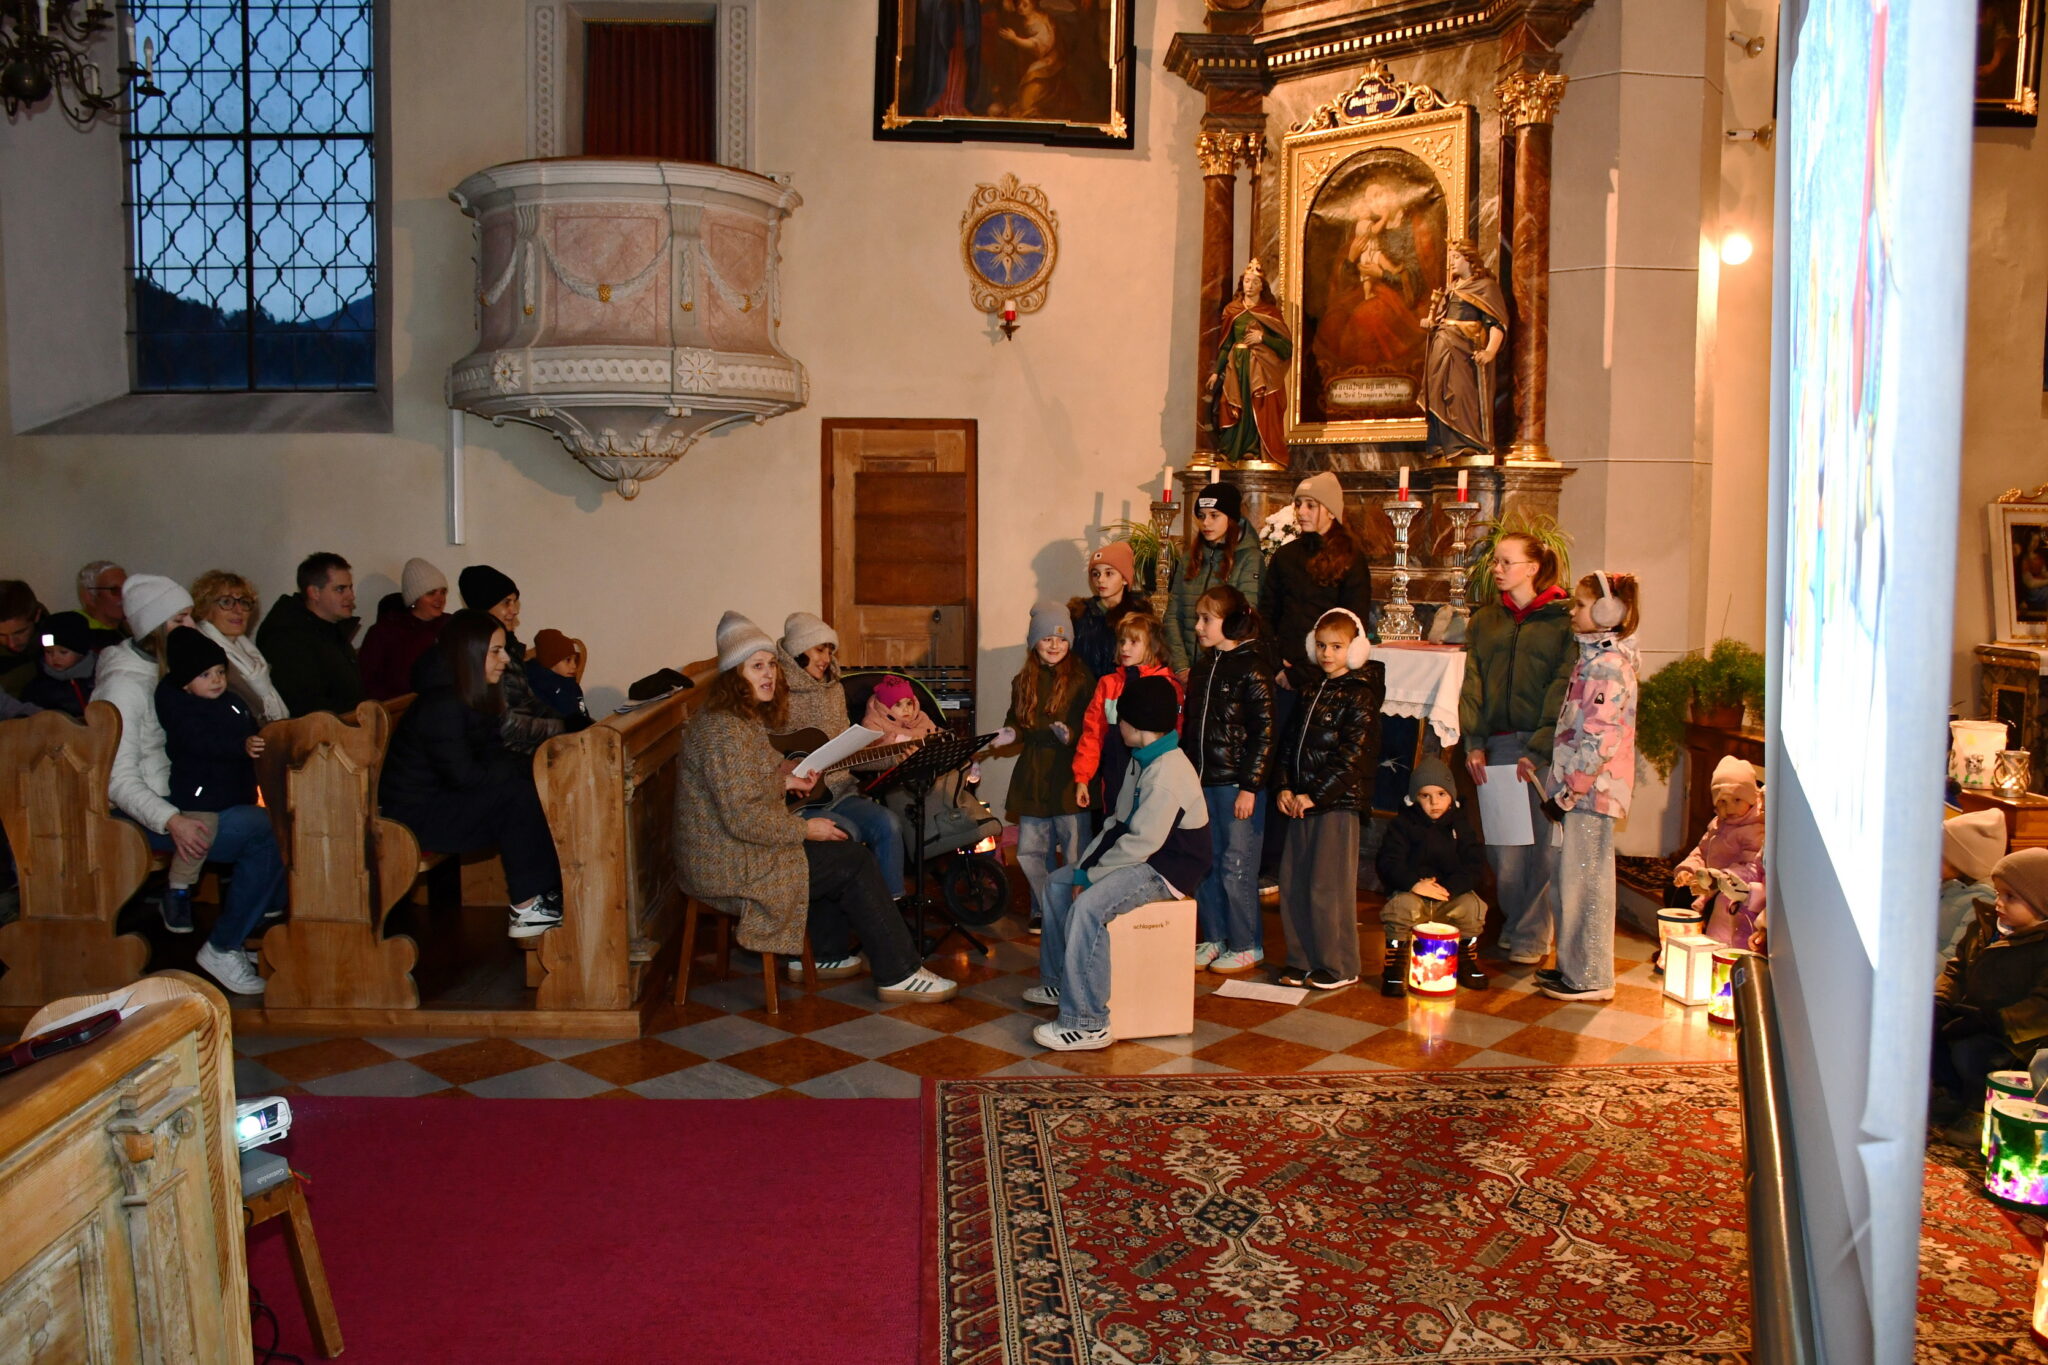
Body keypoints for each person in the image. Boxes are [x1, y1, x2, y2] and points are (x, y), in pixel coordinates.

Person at [674, 611, 957, 1002]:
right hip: (727, 861)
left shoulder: (736, 718)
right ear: (733, 674)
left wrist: (786, 780)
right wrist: (806, 828)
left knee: (839, 852)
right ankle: (900, 973)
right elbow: (742, 818)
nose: (769, 674)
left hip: (736, 847)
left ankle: (826, 953)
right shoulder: (724, 731)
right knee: (850, 859)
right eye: (756, 667)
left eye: (771, 664)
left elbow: (746, 783)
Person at [93, 574, 283, 996]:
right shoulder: (124, 685)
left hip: (181, 797)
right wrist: (171, 820)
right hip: (141, 815)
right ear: (152, 629)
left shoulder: (173, 669)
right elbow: (114, 778)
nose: (193, 627)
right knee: (265, 832)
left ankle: (240, 933)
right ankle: (223, 946)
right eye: (181, 619)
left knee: (275, 821)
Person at [1024, 674, 1211, 1051]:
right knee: (1058, 883)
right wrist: (1083, 870)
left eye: (1119, 718)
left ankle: (1088, 1023)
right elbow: (1117, 824)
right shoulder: (1142, 759)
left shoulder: (1168, 773)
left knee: (1088, 908)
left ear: (1136, 725)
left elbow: (1141, 844)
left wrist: (1092, 880)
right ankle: (1060, 981)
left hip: (1168, 869)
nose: (1116, 724)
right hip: (1144, 853)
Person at [379, 609, 566, 941]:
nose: (505, 659)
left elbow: (491, 755)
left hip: (440, 800)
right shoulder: (442, 703)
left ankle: (546, 892)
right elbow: (463, 776)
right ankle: (526, 907)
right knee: (516, 797)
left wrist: (530, 769)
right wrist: (518, 773)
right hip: (412, 818)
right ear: (470, 653)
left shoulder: (468, 691)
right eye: (496, 651)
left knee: (529, 786)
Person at [1457, 530, 1576, 964]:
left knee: (1543, 848)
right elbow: (1472, 683)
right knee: (1505, 851)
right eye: (1496, 562)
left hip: (1546, 747)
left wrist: (1541, 747)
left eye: (1506, 562)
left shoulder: (1563, 620)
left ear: (1533, 568)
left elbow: (1562, 687)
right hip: (1500, 744)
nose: (1497, 569)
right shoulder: (1486, 621)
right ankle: (1515, 921)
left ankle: (1531, 933)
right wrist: (1474, 741)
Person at [1535, 571, 1642, 1003]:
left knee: (1587, 884)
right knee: (1571, 882)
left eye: (1580, 605)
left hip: (1591, 794)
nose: (1573, 612)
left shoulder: (1608, 667)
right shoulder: (1593, 660)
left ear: (1607, 610)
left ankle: (1591, 976)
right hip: (1578, 791)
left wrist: (1569, 793)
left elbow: (1600, 739)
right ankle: (1573, 967)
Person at [1271, 608, 1384, 990]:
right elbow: (1289, 745)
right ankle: (1302, 959)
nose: (1327, 653)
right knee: (1294, 883)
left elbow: (1352, 757)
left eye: (1337, 646)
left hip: (1335, 805)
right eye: (1320, 645)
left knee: (1327, 887)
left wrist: (1315, 796)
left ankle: (1339, 965)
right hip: (1302, 802)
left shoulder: (1361, 695)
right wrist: (1285, 787)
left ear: (1356, 649)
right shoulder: (1311, 689)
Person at [775, 611, 913, 910]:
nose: (826, 658)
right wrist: (784, 770)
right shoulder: (775, 691)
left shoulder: (834, 690)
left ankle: (889, 911)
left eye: (829, 651)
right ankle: (850, 915)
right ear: (798, 650)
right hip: (798, 804)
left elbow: (847, 757)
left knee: (889, 824)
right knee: (847, 833)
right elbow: (759, 752)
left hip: (840, 793)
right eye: (819, 650)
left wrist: (894, 756)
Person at [1180, 585, 1275, 973]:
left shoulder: (1253, 668)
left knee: (1237, 867)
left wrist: (1250, 786)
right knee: (1207, 863)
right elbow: (1191, 728)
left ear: (1232, 623)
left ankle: (1247, 943)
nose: (1198, 626)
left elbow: (1265, 734)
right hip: (1203, 783)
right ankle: (1216, 937)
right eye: (1198, 618)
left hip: (1237, 786)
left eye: (1207, 619)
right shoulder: (1204, 668)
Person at [154, 628, 265, 935]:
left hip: (234, 786)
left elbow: (248, 725)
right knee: (199, 835)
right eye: (205, 675)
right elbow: (200, 742)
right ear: (186, 683)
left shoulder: (232, 702)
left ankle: (252, 898)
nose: (216, 680)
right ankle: (177, 890)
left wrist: (259, 738)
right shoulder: (183, 709)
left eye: (219, 672)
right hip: (199, 790)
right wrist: (240, 746)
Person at [994, 604, 1095, 934]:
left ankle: (1075, 909)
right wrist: (1010, 734)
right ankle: (1044, 907)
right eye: (1047, 638)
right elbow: (1016, 721)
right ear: (1034, 641)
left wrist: (1071, 734)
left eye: (1062, 639)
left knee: (1075, 850)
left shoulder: (1081, 679)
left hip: (1069, 775)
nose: (1055, 645)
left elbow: (1092, 727)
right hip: (1034, 773)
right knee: (1031, 851)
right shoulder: (1023, 680)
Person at [1933, 848, 2048, 1118]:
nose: (1998, 903)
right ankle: (1952, 1094)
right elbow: (1957, 969)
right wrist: (1941, 1001)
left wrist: (1995, 1021)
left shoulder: (2042, 945)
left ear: (2041, 901)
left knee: (1971, 1053)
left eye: (2010, 897)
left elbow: (2042, 1005)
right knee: (1929, 1033)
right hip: (1972, 1016)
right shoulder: (1985, 928)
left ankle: (1980, 1110)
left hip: (2017, 1038)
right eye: (1998, 893)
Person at [1376, 754, 1489, 995]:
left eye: (1441, 794)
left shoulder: (1461, 825)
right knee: (1401, 908)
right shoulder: (1402, 825)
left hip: (1448, 896)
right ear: (1414, 798)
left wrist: (1450, 889)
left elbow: (1474, 865)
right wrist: (1414, 884)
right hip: (1414, 895)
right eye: (1425, 796)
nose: (1434, 802)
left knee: (1473, 907)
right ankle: (1395, 965)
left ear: (1452, 796)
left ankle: (1465, 959)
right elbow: (1388, 862)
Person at [1259, 472, 1374, 689]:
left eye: (1311, 505)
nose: (1301, 511)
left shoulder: (1351, 558)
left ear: (1331, 511)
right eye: (1298, 504)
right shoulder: (1285, 555)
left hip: (1326, 674)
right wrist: (1275, 662)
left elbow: (1352, 624)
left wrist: (1305, 672)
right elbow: (1267, 614)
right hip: (1281, 670)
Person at [1073, 612, 1181, 820]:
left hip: (1154, 779)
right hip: (1115, 779)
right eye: (1122, 641)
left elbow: (1177, 733)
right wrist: (1082, 778)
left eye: (1133, 642)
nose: (1124, 648)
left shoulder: (1166, 685)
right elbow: (1092, 734)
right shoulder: (1108, 684)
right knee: (1115, 827)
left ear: (1152, 645)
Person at [457, 565, 564, 754]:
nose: (514, 610)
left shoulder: (510, 648)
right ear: (484, 607)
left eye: (515, 602)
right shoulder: (478, 659)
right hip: (505, 751)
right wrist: (562, 729)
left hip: (525, 744)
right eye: (506, 603)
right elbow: (506, 726)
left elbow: (529, 702)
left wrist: (567, 721)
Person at [1163, 480, 1265, 676]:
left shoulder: (1249, 558)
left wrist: (1211, 668)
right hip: (1186, 668)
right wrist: (1181, 667)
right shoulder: (1189, 558)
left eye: (1214, 515)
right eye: (1201, 516)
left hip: (1224, 669)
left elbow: (1244, 618)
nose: (1206, 523)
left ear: (1231, 518)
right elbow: (1173, 615)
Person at [1421, 238, 1509, 460]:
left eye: (1456, 257)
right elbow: (1440, 317)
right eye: (1450, 258)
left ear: (1469, 259)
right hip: (1442, 345)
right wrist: (1431, 324)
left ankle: (1465, 440)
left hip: (1464, 350)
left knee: (1460, 393)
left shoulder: (1485, 286)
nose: (1451, 262)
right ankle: (1442, 441)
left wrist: (1490, 351)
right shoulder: (1451, 288)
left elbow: (1495, 323)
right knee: (1438, 392)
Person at [1674, 756, 1767, 951]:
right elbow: (1701, 851)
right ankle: (1679, 947)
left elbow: (1750, 867)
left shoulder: (1755, 829)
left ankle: (1719, 950)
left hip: (1733, 889)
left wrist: (1720, 879)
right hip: (1709, 883)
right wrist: (1688, 870)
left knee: (1723, 908)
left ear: (1751, 799)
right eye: (1722, 802)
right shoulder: (1718, 824)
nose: (1729, 808)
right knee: (1679, 895)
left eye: (1737, 800)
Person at [256, 551, 363, 718]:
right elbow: (306, 706)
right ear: (314, 593)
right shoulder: (286, 637)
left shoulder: (331, 627)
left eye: (350, 588)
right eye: (340, 589)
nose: (351, 596)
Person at [1206, 259, 1292, 466]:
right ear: (1241, 284)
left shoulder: (1270, 313)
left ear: (1262, 287)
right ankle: (1231, 450)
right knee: (1229, 405)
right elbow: (1226, 345)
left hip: (1259, 368)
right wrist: (1216, 372)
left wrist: (1263, 338)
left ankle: (1252, 449)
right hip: (1235, 367)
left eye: (1255, 282)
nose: (1250, 286)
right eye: (1247, 281)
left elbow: (1286, 347)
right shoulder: (1232, 310)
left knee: (1257, 406)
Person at [190, 569, 290, 724]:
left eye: (244, 602)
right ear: (205, 609)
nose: (238, 610)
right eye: (226, 602)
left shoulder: (248, 651)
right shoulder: (202, 654)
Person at [358, 557, 450, 701]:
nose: (440, 599)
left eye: (443, 592)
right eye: (431, 593)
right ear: (415, 598)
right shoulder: (385, 631)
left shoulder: (451, 624)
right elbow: (367, 681)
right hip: (400, 707)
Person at [1939, 808, 2006, 975]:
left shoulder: (1981, 903)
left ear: (1963, 862)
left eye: (1941, 855)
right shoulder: (1948, 886)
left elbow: (1952, 961)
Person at [1069, 541, 1149, 681]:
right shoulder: (1079, 613)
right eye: (1096, 574)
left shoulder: (1140, 616)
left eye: (1109, 573)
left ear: (1124, 579)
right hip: (1087, 690)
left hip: (1124, 688)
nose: (1101, 580)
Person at [22, 611, 97, 717]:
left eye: (63, 652)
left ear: (81, 652)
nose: (55, 658)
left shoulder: (100, 675)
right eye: (48, 651)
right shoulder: (38, 688)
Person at [524, 628, 593, 730]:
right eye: (568, 660)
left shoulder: (572, 684)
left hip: (578, 732)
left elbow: (582, 709)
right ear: (550, 661)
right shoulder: (538, 684)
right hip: (556, 734)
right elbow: (552, 718)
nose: (574, 666)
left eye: (575, 660)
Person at [862, 674, 942, 744]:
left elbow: (939, 736)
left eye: (909, 703)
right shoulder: (874, 722)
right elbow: (872, 751)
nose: (906, 709)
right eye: (898, 705)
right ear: (886, 708)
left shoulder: (921, 718)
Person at [0, 579, 45, 697]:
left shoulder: (60, 639)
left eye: (19, 632)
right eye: (1, 635)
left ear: (37, 615)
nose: (11, 643)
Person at [75, 560, 128, 640]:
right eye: (115, 590)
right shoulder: (68, 626)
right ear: (89, 597)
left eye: (127, 589)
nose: (124, 596)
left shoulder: (132, 630)